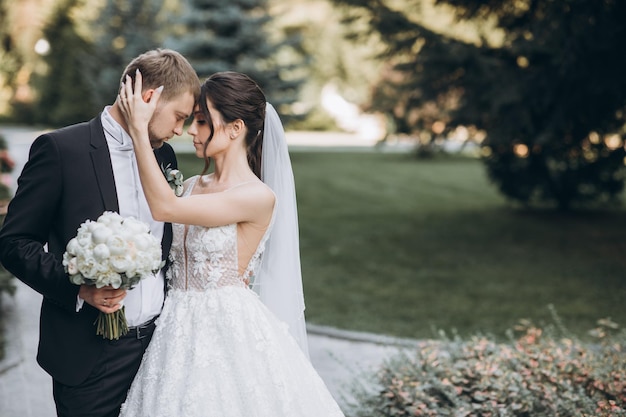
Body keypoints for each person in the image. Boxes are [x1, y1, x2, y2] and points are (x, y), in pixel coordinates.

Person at [116, 70, 345, 416]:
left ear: (235, 129)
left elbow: (165, 207)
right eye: (192, 121)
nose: (192, 131)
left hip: (224, 332)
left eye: (203, 122)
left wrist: (138, 131)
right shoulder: (189, 185)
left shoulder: (257, 196)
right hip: (171, 330)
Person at [0, 49, 200, 417]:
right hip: (91, 357)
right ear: (148, 97)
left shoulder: (164, 156)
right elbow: (14, 243)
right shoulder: (62, 150)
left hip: (159, 352)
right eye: (179, 117)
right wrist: (79, 287)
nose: (179, 130)